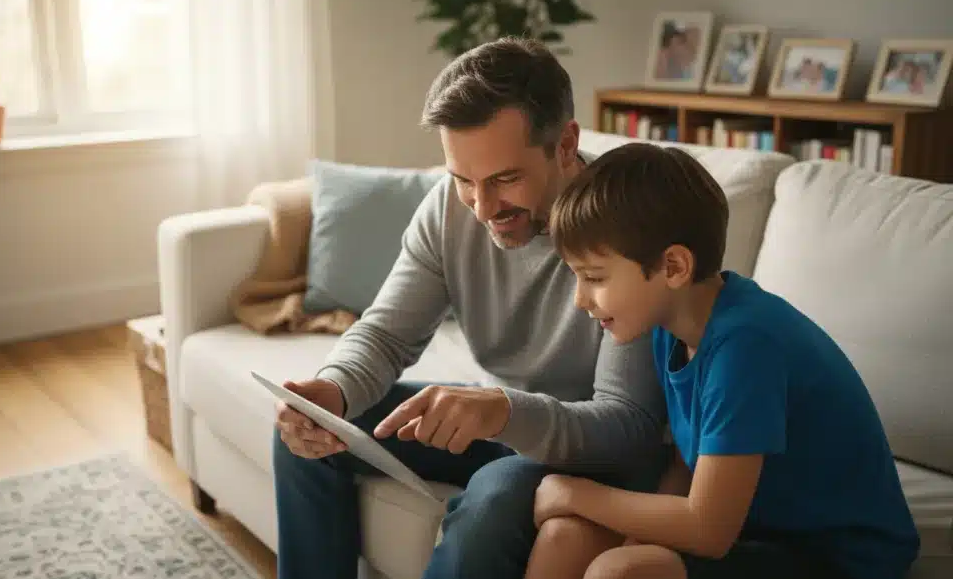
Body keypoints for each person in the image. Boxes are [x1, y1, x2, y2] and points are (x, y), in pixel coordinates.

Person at [270, 37, 671, 579]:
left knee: (494, 496)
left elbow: (629, 426)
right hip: (503, 425)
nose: (483, 208)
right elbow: (387, 334)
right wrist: (333, 389)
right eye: (464, 180)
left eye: (506, 179)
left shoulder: (632, 225)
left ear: (565, 143)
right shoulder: (448, 210)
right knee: (310, 431)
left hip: (593, 456)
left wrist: (501, 411)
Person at [522, 143, 922, 579]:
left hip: (836, 556)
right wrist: (645, 531)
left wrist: (576, 494)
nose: (580, 299)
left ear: (673, 266)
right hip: (753, 530)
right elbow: (686, 462)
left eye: (594, 277)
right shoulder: (668, 327)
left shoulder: (745, 345)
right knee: (567, 538)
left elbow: (707, 529)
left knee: (621, 572)